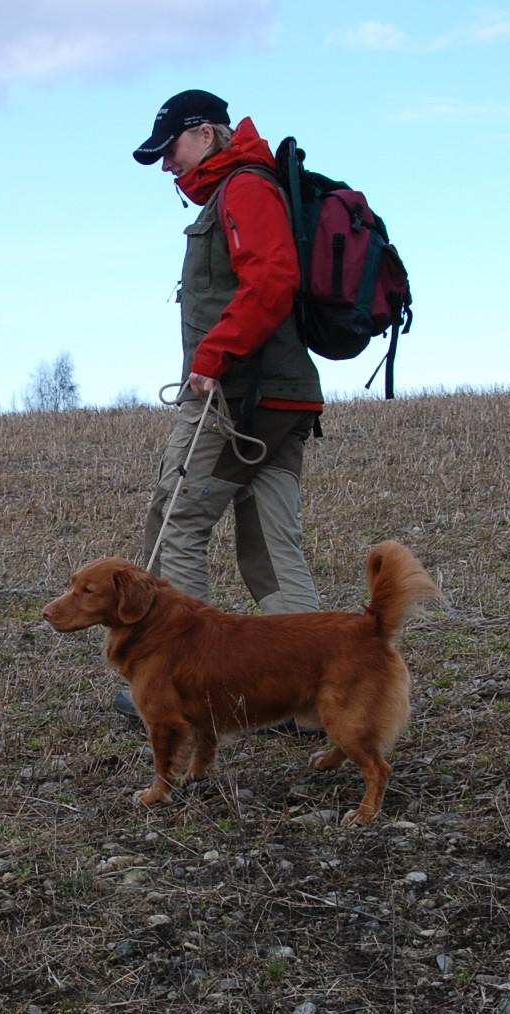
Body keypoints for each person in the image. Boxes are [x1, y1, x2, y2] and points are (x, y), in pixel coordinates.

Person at [117, 90, 323, 720]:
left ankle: (185, 690)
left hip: (234, 399)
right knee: (268, 546)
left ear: (205, 135)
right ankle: (311, 696)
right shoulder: (248, 187)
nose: (166, 167)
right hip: (282, 398)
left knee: (176, 522)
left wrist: (211, 359)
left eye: (170, 149)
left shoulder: (244, 189)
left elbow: (271, 281)